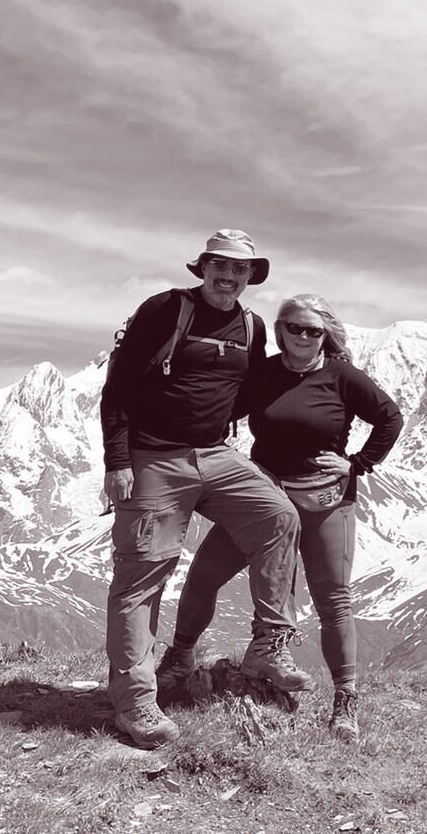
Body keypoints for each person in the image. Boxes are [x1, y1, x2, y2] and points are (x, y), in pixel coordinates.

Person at [101, 230, 314, 750]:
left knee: (278, 518)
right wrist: (118, 461)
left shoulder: (251, 325)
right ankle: (135, 703)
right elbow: (118, 387)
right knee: (141, 575)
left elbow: (241, 393)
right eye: (219, 265)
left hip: (216, 454)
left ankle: (267, 646)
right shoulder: (166, 310)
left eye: (239, 269)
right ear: (203, 268)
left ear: (249, 277)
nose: (228, 275)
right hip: (155, 457)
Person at [160, 294, 403, 742]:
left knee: (334, 603)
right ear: (280, 330)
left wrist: (357, 463)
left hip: (325, 502)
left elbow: (390, 417)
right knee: (204, 574)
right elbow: (223, 410)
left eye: (313, 330)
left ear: (326, 334)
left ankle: (345, 702)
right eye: (294, 327)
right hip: (265, 499)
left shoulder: (342, 376)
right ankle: (180, 659)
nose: (303, 337)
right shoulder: (265, 374)